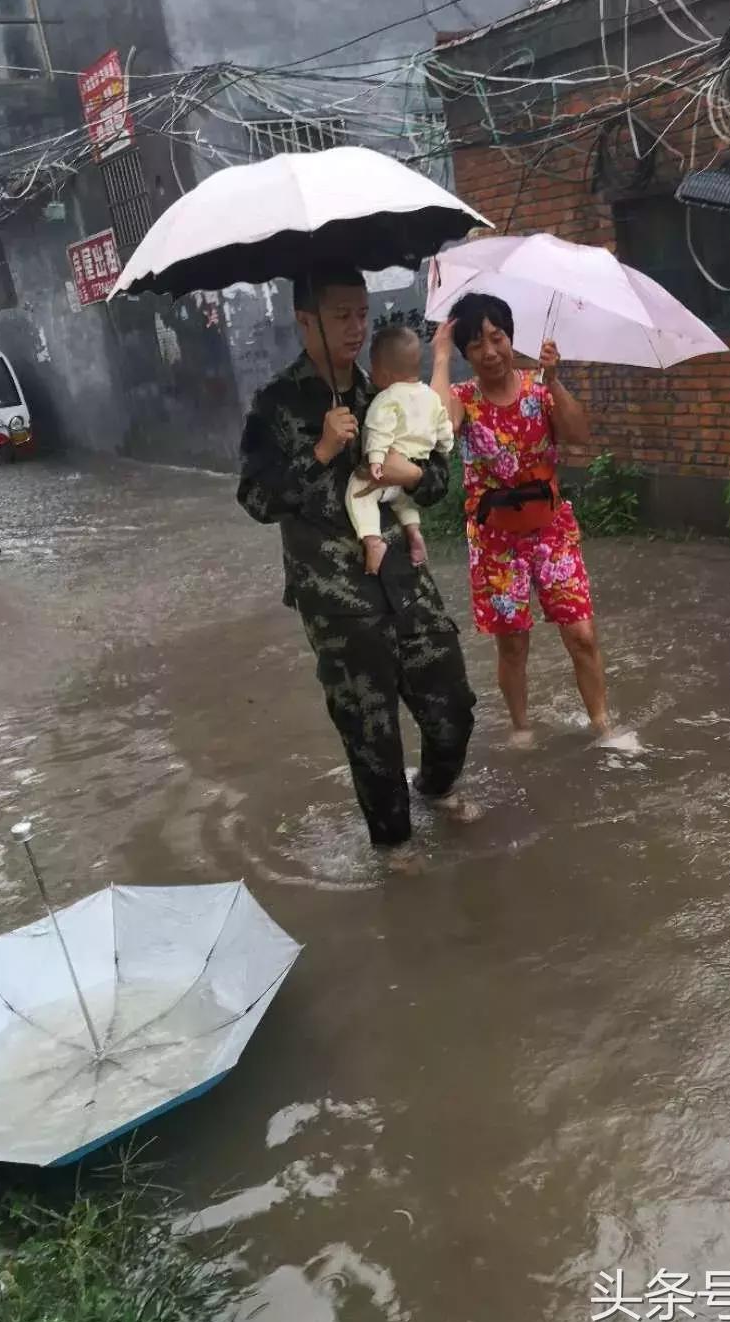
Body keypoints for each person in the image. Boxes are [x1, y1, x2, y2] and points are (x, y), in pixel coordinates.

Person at [236, 267, 478, 872]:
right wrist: (320, 451)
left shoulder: (388, 390)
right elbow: (257, 501)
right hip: (334, 592)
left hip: (402, 574)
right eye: (341, 313)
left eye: (362, 312)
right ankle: (394, 844)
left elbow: (441, 469)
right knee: (370, 726)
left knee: (451, 702)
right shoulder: (275, 404)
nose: (356, 325)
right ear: (304, 320)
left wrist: (414, 476)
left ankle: (436, 787)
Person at [431, 292, 609, 746]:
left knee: (582, 635)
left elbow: (578, 435)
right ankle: (522, 729)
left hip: (551, 530)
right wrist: (440, 356)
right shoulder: (462, 398)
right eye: (476, 345)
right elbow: (439, 431)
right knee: (512, 644)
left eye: (498, 337)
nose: (490, 352)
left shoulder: (538, 388)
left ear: (511, 337)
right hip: (496, 542)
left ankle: (603, 726)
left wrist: (554, 380)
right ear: (466, 354)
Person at [345, 325, 454, 576]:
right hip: (410, 473)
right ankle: (414, 532)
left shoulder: (386, 398)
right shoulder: (431, 397)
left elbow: (377, 430)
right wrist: (444, 447)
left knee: (357, 491)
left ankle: (372, 540)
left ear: (383, 372)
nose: (371, 375)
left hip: (385, 473)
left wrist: (375, 460)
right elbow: (444, 430)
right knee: (403, 504)